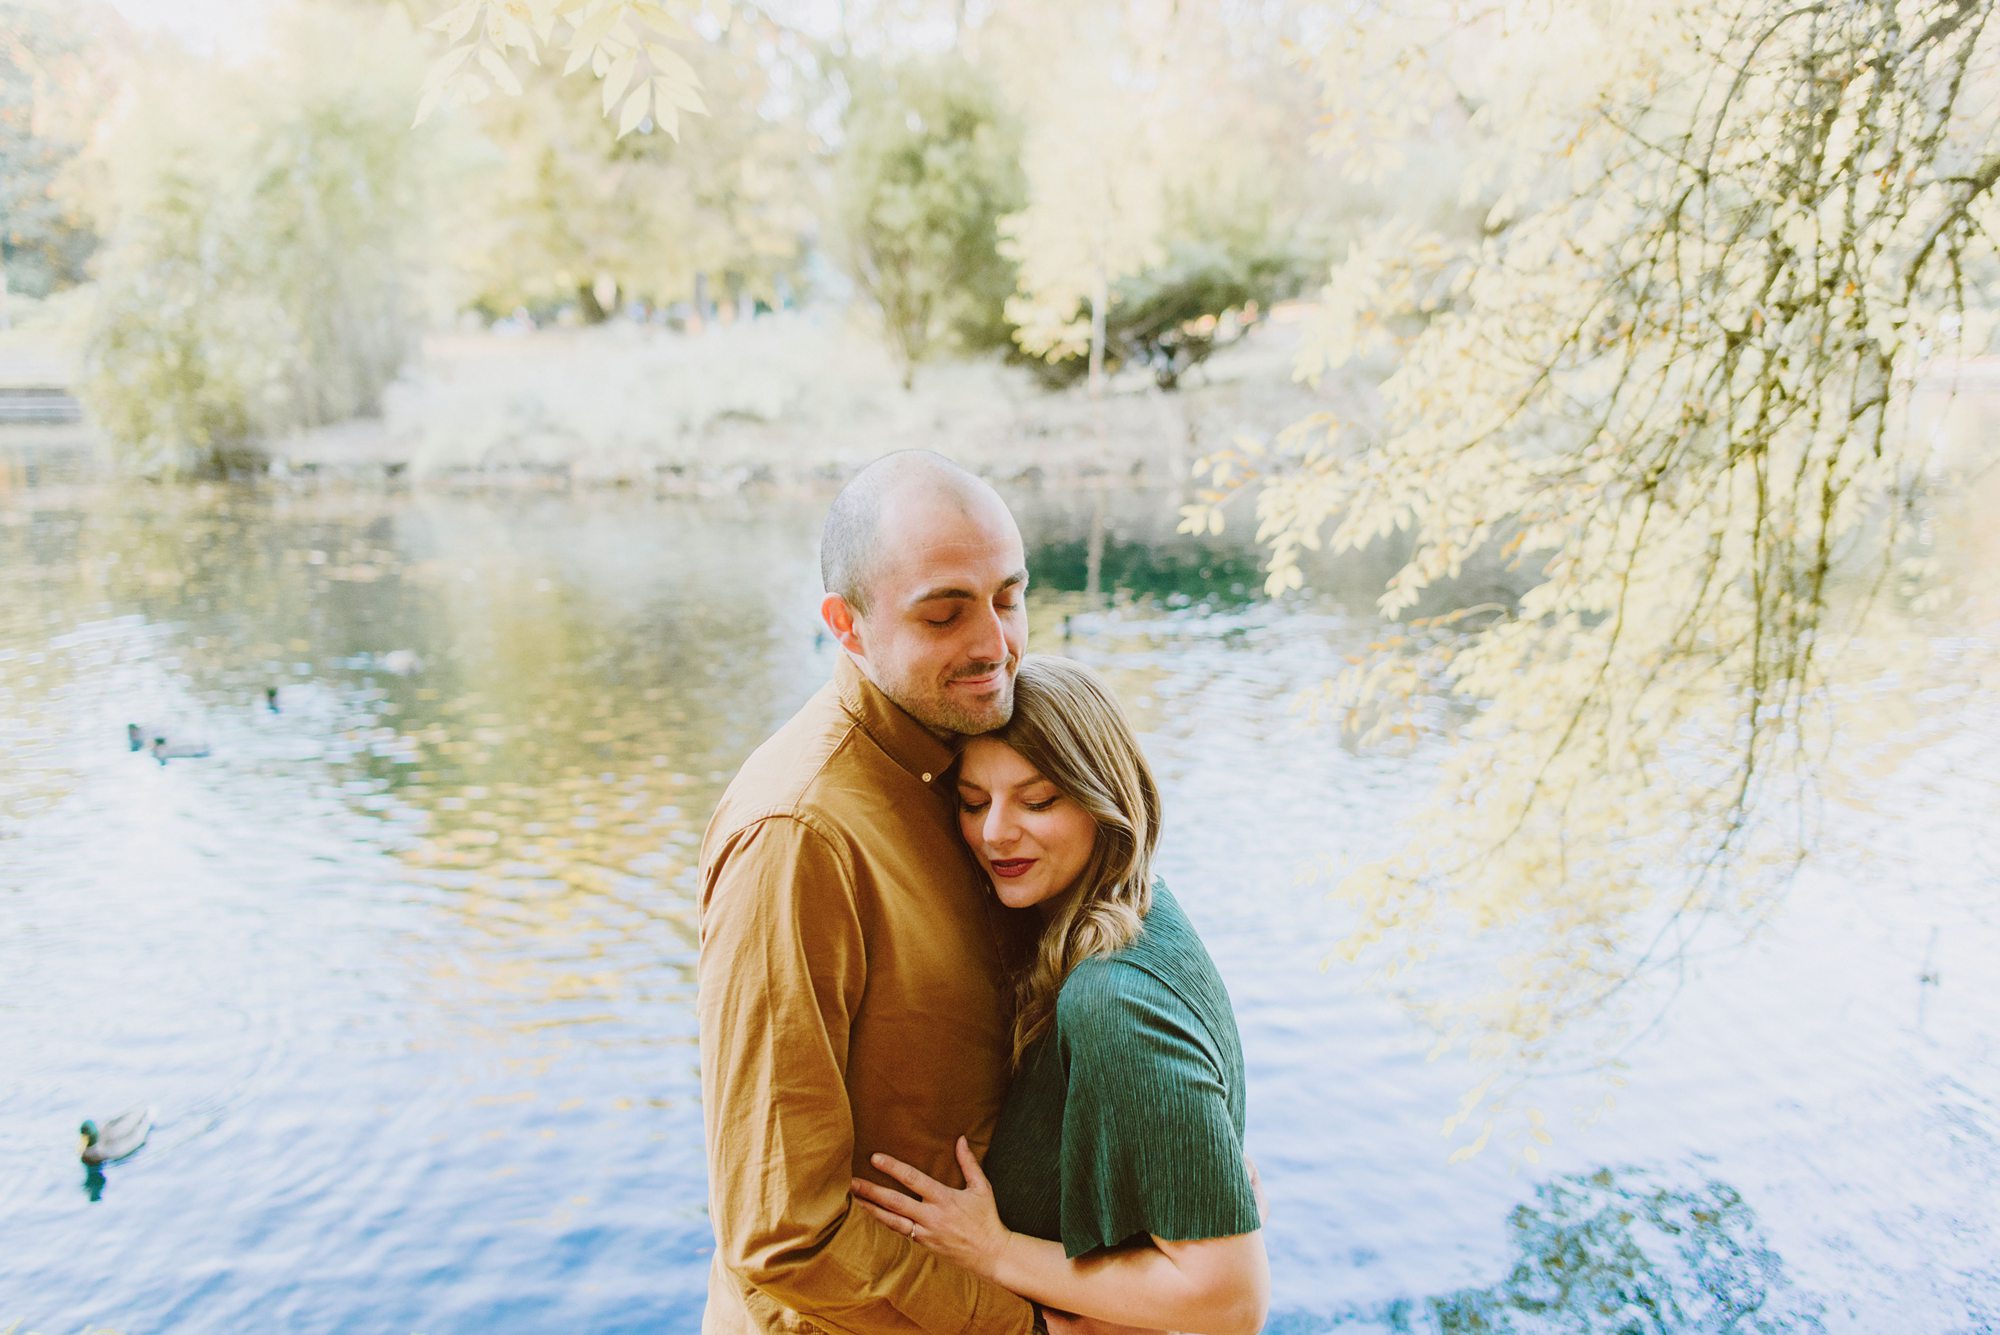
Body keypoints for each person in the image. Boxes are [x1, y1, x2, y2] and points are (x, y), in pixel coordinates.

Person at [697, 452, 1101, 1334]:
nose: (995, 646)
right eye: (944, 613)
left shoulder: (978, 760)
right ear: (848, 626)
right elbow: (781, 1232)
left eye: (1008, 596)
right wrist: (1017, 1325)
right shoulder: (797, 839)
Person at [851, 656, 1271, 1335]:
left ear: (1103, 795)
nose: (995, 833)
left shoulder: (1114, 999)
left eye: (1038, 799)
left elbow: (1230, 1300)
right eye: (973, 800)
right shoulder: (1142, 903)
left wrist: (993, 1250)